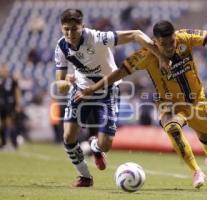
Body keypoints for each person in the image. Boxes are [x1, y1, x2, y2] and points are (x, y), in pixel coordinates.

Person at [75, 20, 207, 188]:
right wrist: (92, 88)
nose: (170, 47)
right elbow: (119, 72)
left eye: (171, 41)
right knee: (172, 127)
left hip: (196, 100)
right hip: (167, 102)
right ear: (155, 42)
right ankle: (196, 171)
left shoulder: (184, 37)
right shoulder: (146, 55)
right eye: (164, 44)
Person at [55, 9, 167, 187]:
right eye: (66, 29)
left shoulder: (98, 38)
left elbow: (136, 34)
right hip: (81, 91)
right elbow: (59, 83)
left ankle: (96, 148)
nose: (70, 33)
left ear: (82, 27)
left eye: (74, 29)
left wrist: (160, 56)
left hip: (107, 91)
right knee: (68, 136)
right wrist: (66, 82)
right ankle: (85, 177)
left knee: (106, 144)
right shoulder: (61, 47)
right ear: (62, 28)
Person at [0, 64, 22, 150]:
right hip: (1, 105)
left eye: (4, 69)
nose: (2, 71)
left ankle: (13, 143)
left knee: (10, 124)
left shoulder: (12, 80)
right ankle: (4, 143)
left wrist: (17, 104)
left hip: (10, 104)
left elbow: (17, 91)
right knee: (2, 124)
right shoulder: (1, 80)